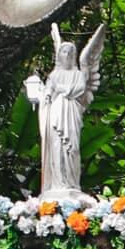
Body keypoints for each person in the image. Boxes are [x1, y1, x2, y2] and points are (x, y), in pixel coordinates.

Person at [25, 23, 105, 196]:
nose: (67, 54)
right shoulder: (53, 75)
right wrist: (44, 96)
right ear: (59, 55)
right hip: (55, 114)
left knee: (72, 148)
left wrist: (62, 90)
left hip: (71, 113)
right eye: (63, 51)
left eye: (70, 52)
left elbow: (80, 90)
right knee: (56, 146)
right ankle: (57, 183)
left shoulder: (79, 73)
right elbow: (47, 95)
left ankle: (70, 182)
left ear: (74, 55)